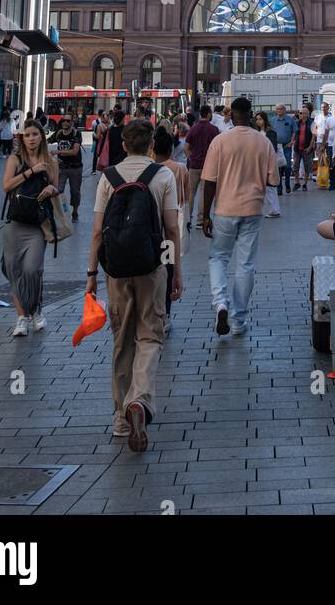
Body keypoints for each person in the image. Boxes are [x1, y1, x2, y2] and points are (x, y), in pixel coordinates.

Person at [88, 118, 184, 451]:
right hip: (152, 266)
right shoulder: (164, 176)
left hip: (115, 270)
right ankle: (140, 401)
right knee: (150, 335)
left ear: (125, 145)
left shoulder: (108, 177)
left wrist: (91, 274)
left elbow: (98, 231)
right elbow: (172, 230)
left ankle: (119, 418)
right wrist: (175, 272)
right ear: (152, 146)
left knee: (122, 340)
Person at [201, 96, 279, 336]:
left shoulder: (220, 141)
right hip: (253, 210)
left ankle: (221, 303)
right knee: (245, 265)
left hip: (224, 209)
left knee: (218, 258)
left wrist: (205, 215)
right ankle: (238, 321)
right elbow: (273, 180)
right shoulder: (263, 142)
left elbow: (209, 182)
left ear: (232, 114)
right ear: (250, 114)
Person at [1, 121, 59, 336]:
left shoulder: (51, 161)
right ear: (22, 138)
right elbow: (6, 186)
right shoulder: (15, 160)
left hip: (37, 224)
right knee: (14, 270)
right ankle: (23, 317)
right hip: (15, 222)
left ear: (42, 137)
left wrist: (52, 188)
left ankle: (36, 310)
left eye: (35, 134)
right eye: (28, 135)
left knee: (32, 270)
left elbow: (56, 187)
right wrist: (31, 171)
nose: (32, 138)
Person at [152, 130, 190, 334]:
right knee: (167, 272)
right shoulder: (180, 169)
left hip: (151, 231)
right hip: (170, 229)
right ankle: (164, 314)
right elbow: (186, 197)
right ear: (170, 149)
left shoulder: (149, 170)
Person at [185, 106, 219, 230]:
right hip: (208, 166)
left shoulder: (193, 129)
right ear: (209, 114)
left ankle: (188, 218)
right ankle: (201, 219)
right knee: (204, 192)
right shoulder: (214, 130)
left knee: (191, 192)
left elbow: (186, 148)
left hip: (194, 166)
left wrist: (191, 158)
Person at [51, 113, 84, 222]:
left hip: (75, 168)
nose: (65, 123)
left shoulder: (76, 134)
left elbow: (74, 151)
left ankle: (75, 212)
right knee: (58, 191)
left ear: (72, 123)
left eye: (68, 121)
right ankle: (62, 212)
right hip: (62, 167)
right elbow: (45, 141)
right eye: (63, 120)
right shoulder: (58, 133)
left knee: (75, 192)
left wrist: (57, 152)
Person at [255, 111, 281, 217]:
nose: (258, 121)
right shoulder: (256, 133)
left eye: (260, 119)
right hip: (259, 162)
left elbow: (273, 149)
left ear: (265, 120)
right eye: (257, 119)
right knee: (264, 187)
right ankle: (270, 209)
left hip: (268, 162)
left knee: (270, 186)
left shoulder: (270, 133)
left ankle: (274, 209)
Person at [273, 103, 295, 194]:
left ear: (284, 110)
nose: (279, 111)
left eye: (281, 109)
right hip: (277, 146)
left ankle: (287, 183)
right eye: (278, 109)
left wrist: (291, 142)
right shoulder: (273, 120)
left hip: (287, 146)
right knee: (278, 168)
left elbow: (294, 131)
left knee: (287, 166)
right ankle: (279, 188)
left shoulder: (290, 119)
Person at [291, 107, 314, 190]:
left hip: (307, 148)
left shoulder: (311, 123)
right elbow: (293, 133)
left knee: (307, 166)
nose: (299, 114)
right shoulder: (296, 123)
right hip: (297, 148)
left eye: (301, 113)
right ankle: (297, 182)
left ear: (306, 115)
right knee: (295, 166)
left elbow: (313, 136)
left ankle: (305, 183)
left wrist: (310, 147)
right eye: (299, 113)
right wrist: (291, 142)